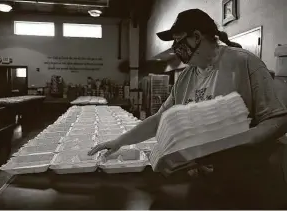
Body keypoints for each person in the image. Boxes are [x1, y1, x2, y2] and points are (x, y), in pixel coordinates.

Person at [89, 9, 287, 209]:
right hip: (210, 178)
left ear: (197, 37)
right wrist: (119, 142)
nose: (176, 48)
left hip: (249, 178)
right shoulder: (186, 78)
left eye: (179, 41)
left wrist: (238, 141)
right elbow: (160, 120)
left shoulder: (243, 63)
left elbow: (277, 120)